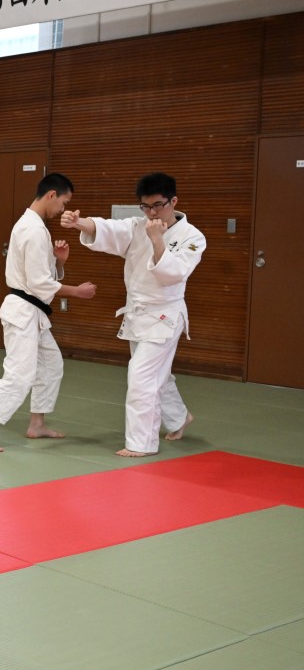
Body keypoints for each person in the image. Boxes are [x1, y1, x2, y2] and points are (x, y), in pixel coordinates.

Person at [61, 172, 204, 457]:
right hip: (138, 313)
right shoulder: (138, 226)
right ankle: (178, 418)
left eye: (158, 206)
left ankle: (142, 443)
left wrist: (157, 240)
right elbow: (108, 229)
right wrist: (80, 222)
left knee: (141, 376)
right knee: (155, 374)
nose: (151, 213)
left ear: (173, 201)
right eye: (145, 207)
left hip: (165, 316)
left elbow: (174, 274)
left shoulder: (193, 237)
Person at [0, 174, 96, 454]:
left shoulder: (34, 226)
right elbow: (38, 283)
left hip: (32, 312)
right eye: (64, 202)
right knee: (19, 375)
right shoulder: (33, 229)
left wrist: (59, 263)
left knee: (51, 365)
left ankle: (36, 424)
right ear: (51, 195)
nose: (63, 209)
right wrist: (76, 291)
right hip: (22, 312)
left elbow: (43, 276)